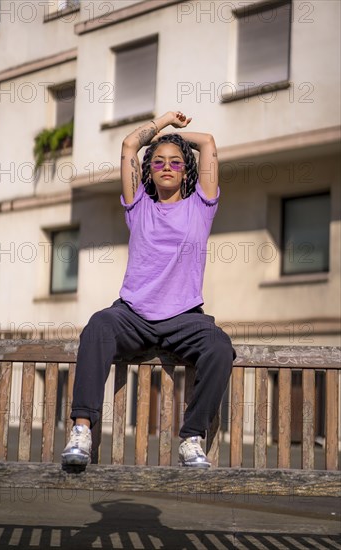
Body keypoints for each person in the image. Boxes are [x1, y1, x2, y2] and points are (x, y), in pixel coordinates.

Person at [61, 110, 236, 469]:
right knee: (98, 326)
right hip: (133, 315)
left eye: (175, 163)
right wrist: (163, 123)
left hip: (184, 319)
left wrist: (176, 139)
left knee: (219, 346)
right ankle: (81, 430)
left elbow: (207, 144)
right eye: (158, 163)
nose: (167, 167)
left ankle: (191, 438)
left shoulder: (201, 207)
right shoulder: (138, 205)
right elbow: (129, 144)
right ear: (148, 172)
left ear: (187, 169)